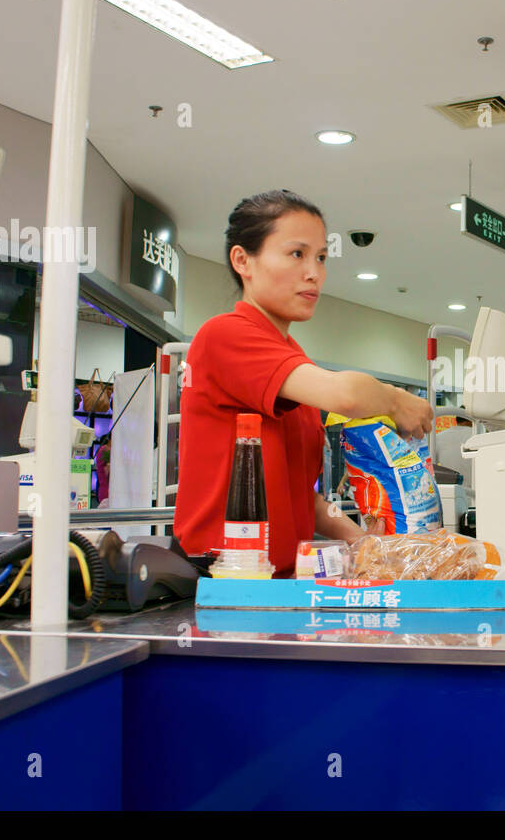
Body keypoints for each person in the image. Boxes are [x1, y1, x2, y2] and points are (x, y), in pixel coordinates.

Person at [173, 190, 433, 577]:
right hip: (221, 578)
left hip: (279, 582)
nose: (314, 272)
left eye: (322, 258)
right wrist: (396, 400)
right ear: (243, 260)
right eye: (297, 254)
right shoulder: (225, 335)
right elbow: (345, 395)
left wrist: (360, 540)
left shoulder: (291, 356)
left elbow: (298, 493)